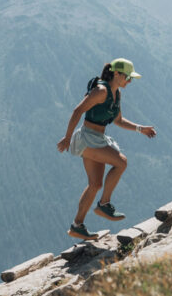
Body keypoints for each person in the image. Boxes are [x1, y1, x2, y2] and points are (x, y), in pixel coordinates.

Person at [57, 58, 157, 240]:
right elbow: (77, 111)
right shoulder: (101, 91)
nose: (129, 81)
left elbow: (118, 120)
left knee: (95, 184)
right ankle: (104, 204)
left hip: (98, 139)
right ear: (117, 74)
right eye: (128, 77)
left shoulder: (116, 94)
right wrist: (67, 137)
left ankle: (76, 226)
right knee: (121, 162)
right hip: (87, 139)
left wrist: (140, 129)